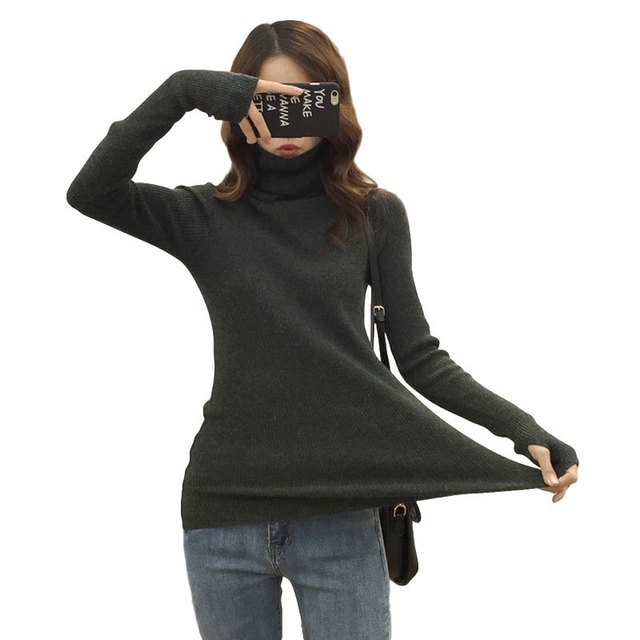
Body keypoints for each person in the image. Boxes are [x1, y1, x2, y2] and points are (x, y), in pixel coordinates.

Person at [66, 19, 578, 640]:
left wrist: (523, 429)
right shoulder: (203, 216)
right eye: (269, 100)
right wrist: (183, 89)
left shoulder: (373, 215)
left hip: (343, 515)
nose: (288, 122)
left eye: (305, 100)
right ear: (237, 102)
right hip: (224, 513)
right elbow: (90, 191)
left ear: (335, 102)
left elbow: (420, 357)